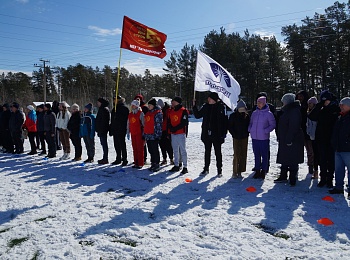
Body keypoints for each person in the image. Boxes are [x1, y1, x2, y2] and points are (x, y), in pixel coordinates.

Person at [308, 90, 340, 188]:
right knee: (322, 160)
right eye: (323, 101)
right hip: (321, 139)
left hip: (332, 139)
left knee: (331, 161)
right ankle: (323, 178)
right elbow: (311, 116)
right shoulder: (321, 110)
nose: (325, 102)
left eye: (327, 101)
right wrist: (319, 105)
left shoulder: (336, 109)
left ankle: (330, 179)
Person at [193, 92, 228, 177]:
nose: (208, 99)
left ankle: (219, 170)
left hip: (217, 134)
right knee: (207, 152)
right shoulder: (206, 107)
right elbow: (197, 115)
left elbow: (225, 122)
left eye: (210, 98)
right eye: (208, 98)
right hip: (207, 134)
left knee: (218, 152)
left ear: (214, 99)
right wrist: (194, 106)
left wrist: (223, 134)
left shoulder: (221, 107)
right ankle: (206, 168)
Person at [274, 93, 304, 186]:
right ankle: (283, 176)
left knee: (293, 159)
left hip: (292, 139)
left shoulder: (294, 111)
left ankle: (292, 177)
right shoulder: (287, 111)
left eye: (283, 102)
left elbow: (293, 126)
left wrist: (289, 139)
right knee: (285, 158)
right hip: (285, 138)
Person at [248, 96, 276, 179]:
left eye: (260, 102)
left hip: (263, 138)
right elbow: (251, 122)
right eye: (258, 102)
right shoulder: (254, 113)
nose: (258, 104)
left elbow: (273, 125)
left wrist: (265, 131)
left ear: (264, 103)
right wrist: (250, 129)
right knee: (256, 154)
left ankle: (263, 170)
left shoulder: (269, 114)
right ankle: (257, 170)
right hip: (254, 137)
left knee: (264, 155)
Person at [329, 97, 350, 196]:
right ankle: (338, 187)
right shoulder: (340, 117)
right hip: (338, 148)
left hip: (347, 149)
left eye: (343, 104)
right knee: (339, 169)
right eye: (340, 104)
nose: (340, 106)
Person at [228, 99, 250, 178]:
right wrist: (234, 134)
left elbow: (249, 125)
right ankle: (235, 171)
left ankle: (241, 170)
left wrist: (247, 133)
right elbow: (230, 126)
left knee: (243, 154)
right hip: (236, 137)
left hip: (244, 137)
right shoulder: (233, 116)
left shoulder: (247, 116)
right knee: (236, 154)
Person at [168, 96, 189, 174]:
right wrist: (171, 128)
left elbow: (184, 122)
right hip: (173, 134)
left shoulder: (183, 110)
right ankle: (176, 164)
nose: (172, 103)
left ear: (178, 102)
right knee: (175, 150)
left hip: (180, 133)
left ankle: (185, 166)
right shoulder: (172, 111)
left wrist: (175, 128)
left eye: (174, 101)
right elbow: (169, 121)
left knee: (182, 150)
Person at [296, 90, 314, 175]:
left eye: (301, 96)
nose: (300, 98)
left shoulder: (308, 106)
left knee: (310, 151)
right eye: (299, 96)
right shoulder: (296, 106)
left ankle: (311, 166)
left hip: (307, 132)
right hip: (298, 131)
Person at [143, 98, 163, 172]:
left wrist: (158, 135)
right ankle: (153, 163)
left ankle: (157, 163)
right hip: (148, 134)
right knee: (150, 150)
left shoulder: (158, 113)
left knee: (155, 150)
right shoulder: (148, 113)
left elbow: (159, 125)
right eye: (149, 105)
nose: (149, 106)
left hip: (154, 134)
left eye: (150, 105)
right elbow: (146, 124)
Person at [110, 95, 129, 166]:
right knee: (116, 144)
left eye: (115, 100)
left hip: (121, 129)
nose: (114, 101)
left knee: (122, 144)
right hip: (115, 129)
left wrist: (117, 117)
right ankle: (118, 158)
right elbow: (112, 120)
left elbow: (125, 119)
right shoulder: (114, 108)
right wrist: (111, 128)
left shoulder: (124, 108)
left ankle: (124, 159)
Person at [127, 100, 145, 169]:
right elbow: (128, 123)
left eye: (133, 105)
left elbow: (143, 124)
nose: (132, 106)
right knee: (134, 148)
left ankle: (140, 163)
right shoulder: (130, 114)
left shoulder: (141, 113)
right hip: (133, 133)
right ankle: (136, 162)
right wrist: (128, 132)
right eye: (132, 105)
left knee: (139, 148)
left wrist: (144, 133)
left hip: (139, 133)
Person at [158, 99, 174, 165]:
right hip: (160, 130)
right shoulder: (158, 110)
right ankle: (164, 158)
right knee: (162, 146)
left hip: (166, 131)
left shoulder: (167, 110)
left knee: (168, 145)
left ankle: (171, 158)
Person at [306, 97, 319, 179]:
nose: (309, 105)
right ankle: (313, 170)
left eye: (310, 103)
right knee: (310, 153)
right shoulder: (308, 112)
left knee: (316, 154)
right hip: (309, 135)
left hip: (316, 136)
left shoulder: (317, 113)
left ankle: (316, 171)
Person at [134, 94, 149, 163]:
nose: (137, 100)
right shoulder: (134, 107)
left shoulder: (144, 107)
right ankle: (137, 158)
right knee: (137, 145)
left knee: (143, 143)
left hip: (143, 127)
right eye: (136, 99)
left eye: (138, 99)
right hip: (136, 127)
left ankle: (144, 158)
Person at [95, 97, 110, 164]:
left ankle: (105, 158)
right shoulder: (101, 109)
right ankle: (104, 158)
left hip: (103, 129)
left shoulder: (104, 109)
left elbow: (104, 121)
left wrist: (101, 129)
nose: (97, 103)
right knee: (103, 143)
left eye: (98, 102)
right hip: (100, 129)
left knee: (104, 144)